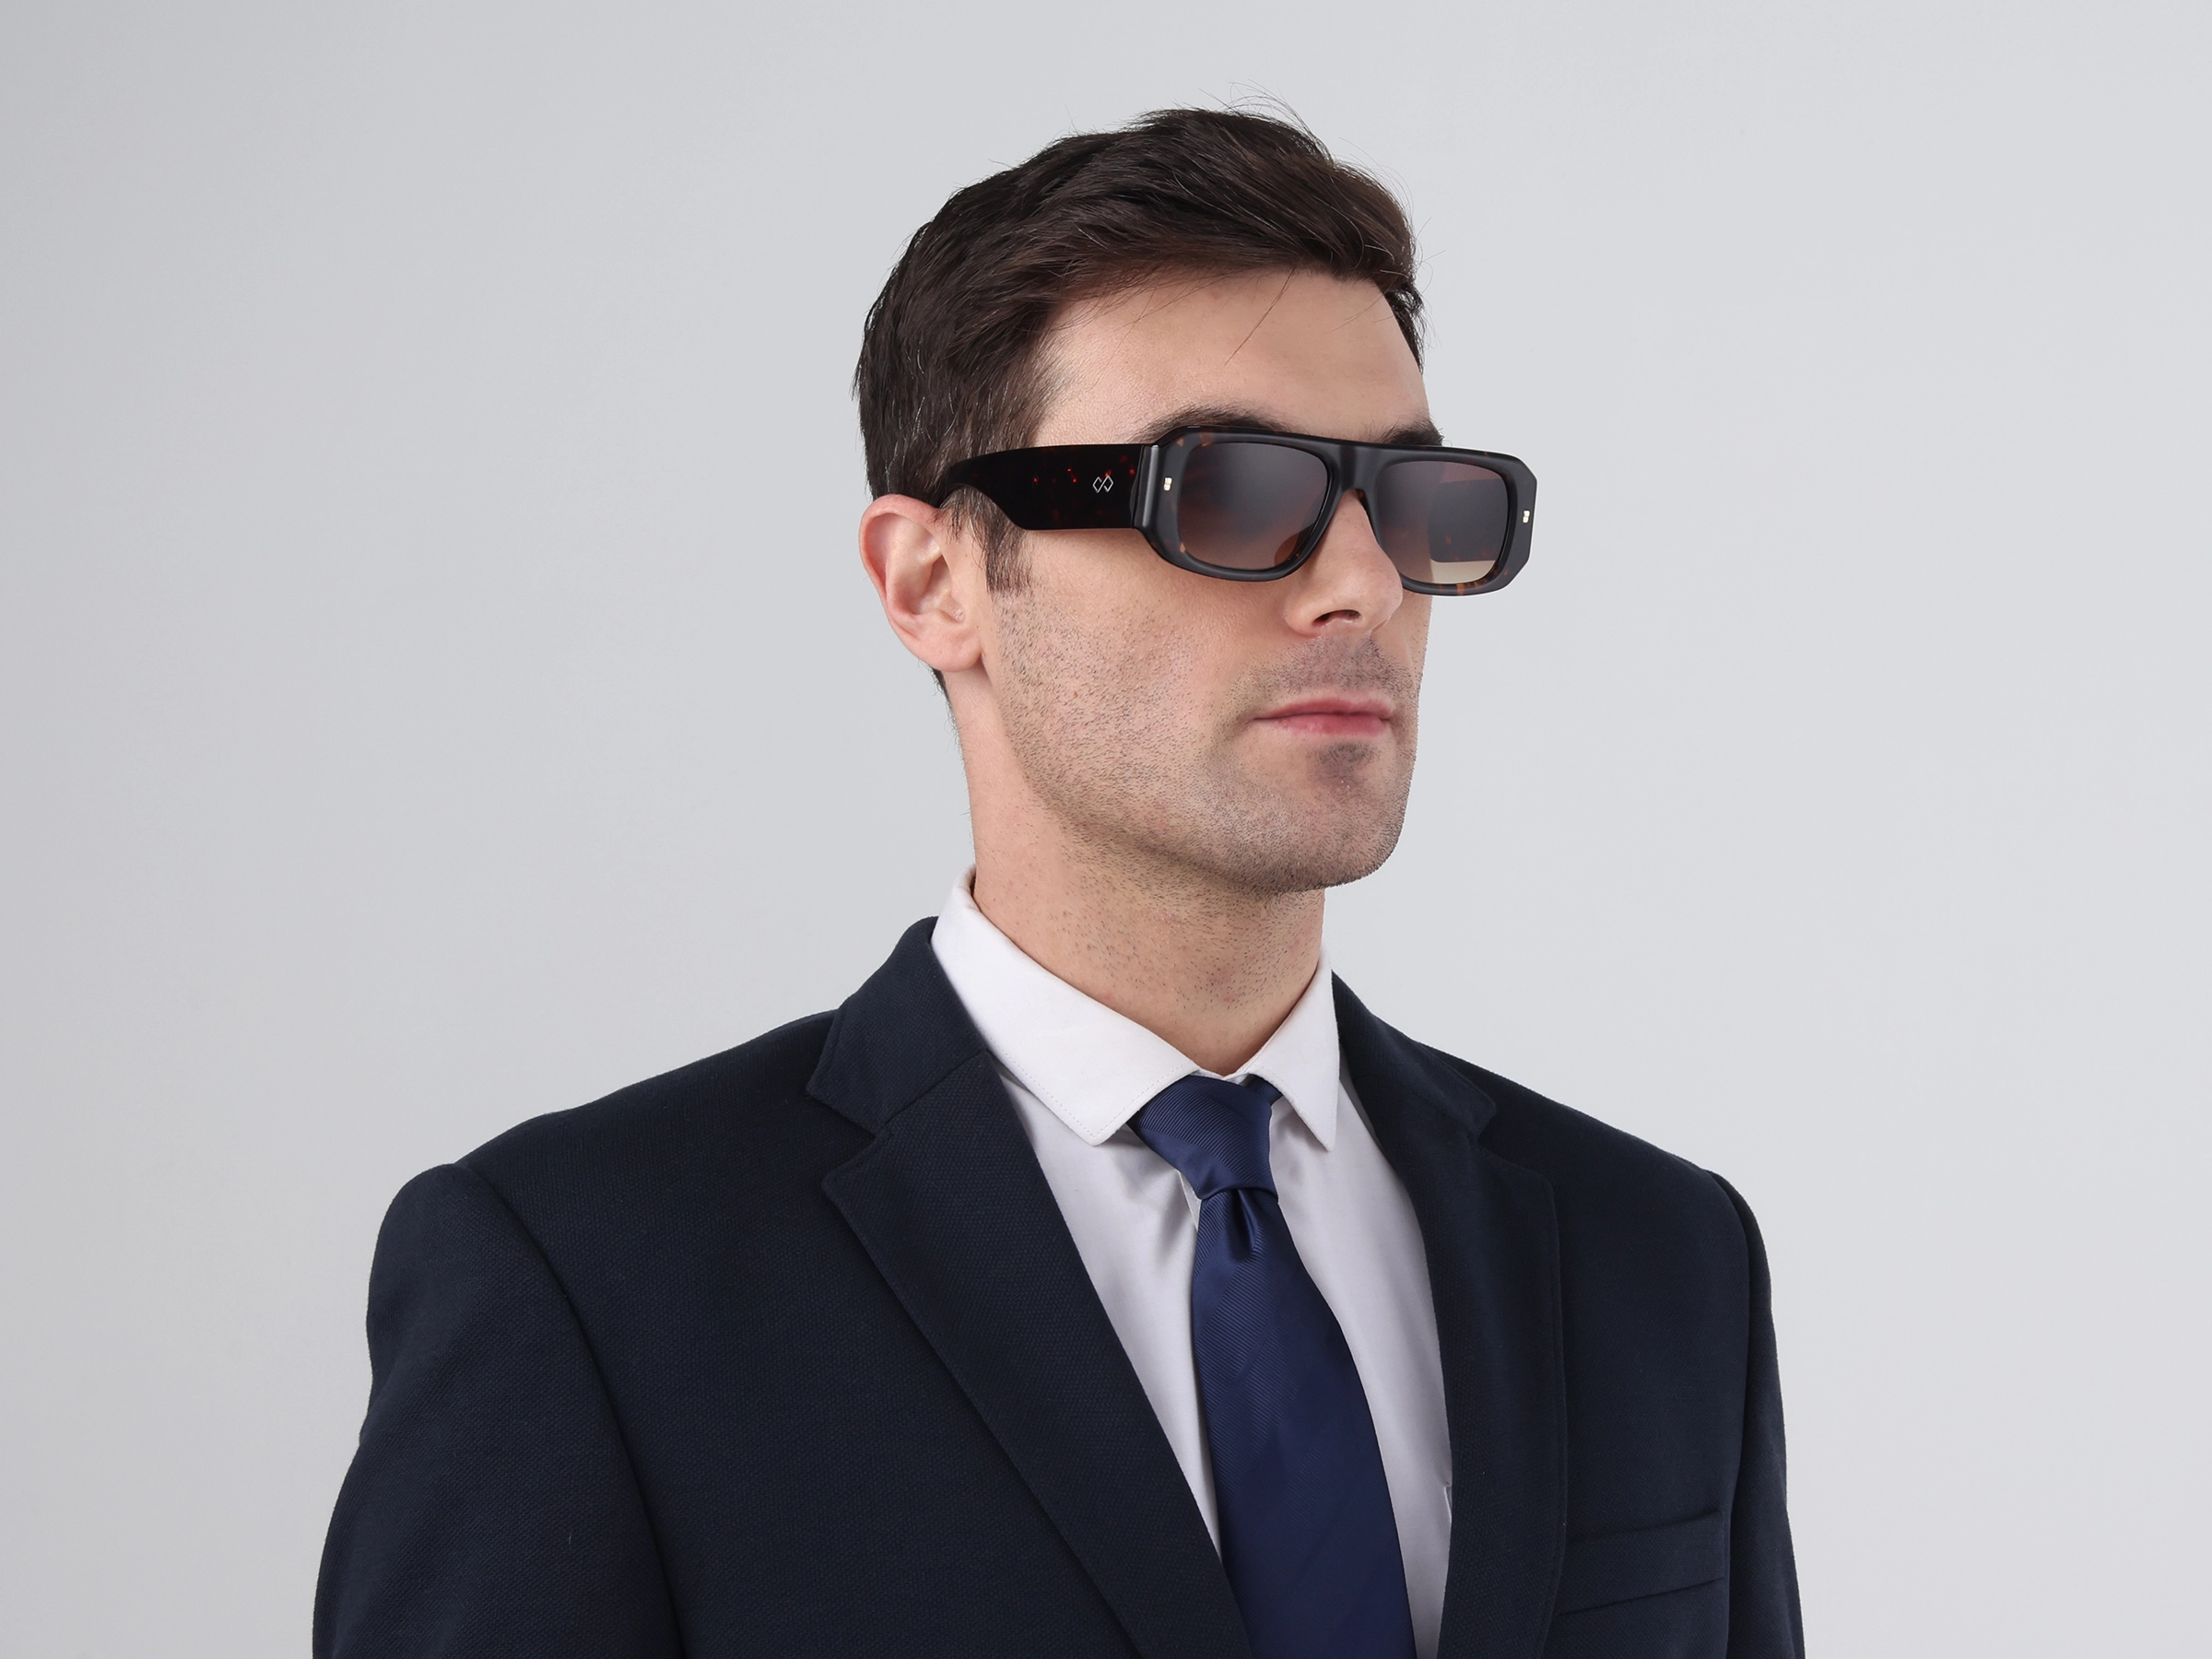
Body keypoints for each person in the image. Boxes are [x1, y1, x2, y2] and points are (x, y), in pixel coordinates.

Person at [314, 107, 1803, 1659]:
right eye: (1230, 491)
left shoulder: (1657, 1257)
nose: (1364, 583)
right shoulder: (591, 1279)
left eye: (1419, 504)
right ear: (933, 582)